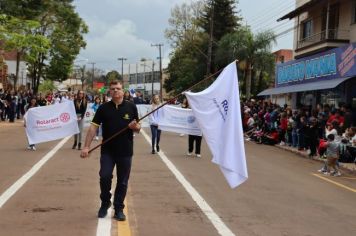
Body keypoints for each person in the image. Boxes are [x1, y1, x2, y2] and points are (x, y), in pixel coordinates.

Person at [80, 80, 140, 221]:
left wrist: (134, 127)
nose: (115, 91)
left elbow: (138, 128)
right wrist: (87, 146)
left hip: (125, 151)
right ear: (109, 91)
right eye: (113, 89)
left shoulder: (131, 107)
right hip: (108, 151)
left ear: (123, 90)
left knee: (123, 181)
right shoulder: (103, 108)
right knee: (105, 176)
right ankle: (105, 202)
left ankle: (118, 208)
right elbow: (93, 128)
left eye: (118, 88)